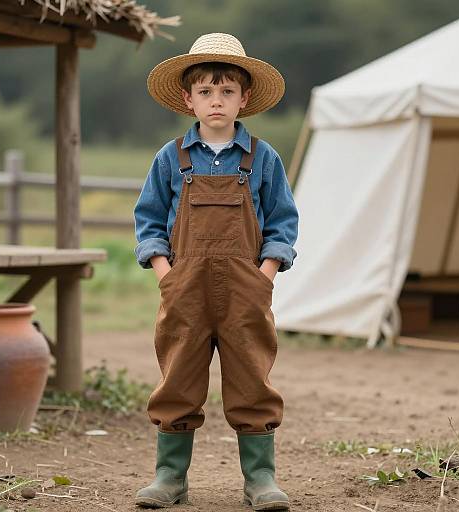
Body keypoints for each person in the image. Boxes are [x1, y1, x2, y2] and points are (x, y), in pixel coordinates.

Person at [133, 32, 299, 511]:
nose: (216, 101)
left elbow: (283, 221)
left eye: (227, 92)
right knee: (179, 374)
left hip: (246, 287)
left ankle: (261, 480)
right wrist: (164, 270)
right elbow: (148, 219)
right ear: (188, 99)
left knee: (251, 374)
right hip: (184, 284)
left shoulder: (262, 158)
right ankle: (169, 478)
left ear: (244, 98)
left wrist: (265, 273)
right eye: (205, 92)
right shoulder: (171, 158)